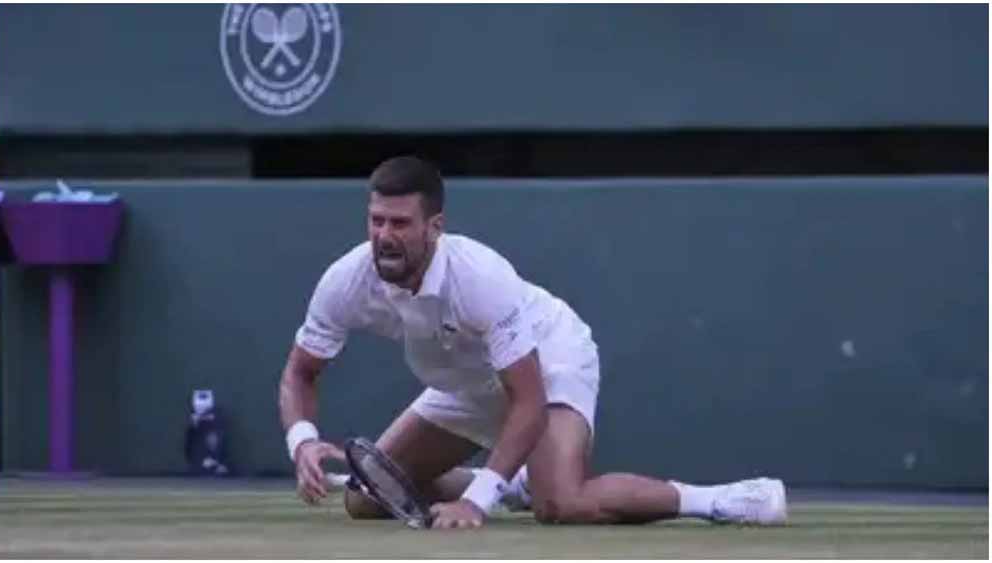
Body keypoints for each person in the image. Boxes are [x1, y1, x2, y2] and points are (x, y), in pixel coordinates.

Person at [278, 156, 787, 529]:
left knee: (561, 504)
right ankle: (515, 482)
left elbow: (528, 400)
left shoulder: (479, 277)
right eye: (377, 221)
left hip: (546, 361)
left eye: (400, 224)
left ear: (434, 228)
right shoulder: (346, 280)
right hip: (466, 383)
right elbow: (301, 373)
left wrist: (475, 502)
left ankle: (721, 500)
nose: (385, 236)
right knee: (369, 498)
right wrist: (301, 441)